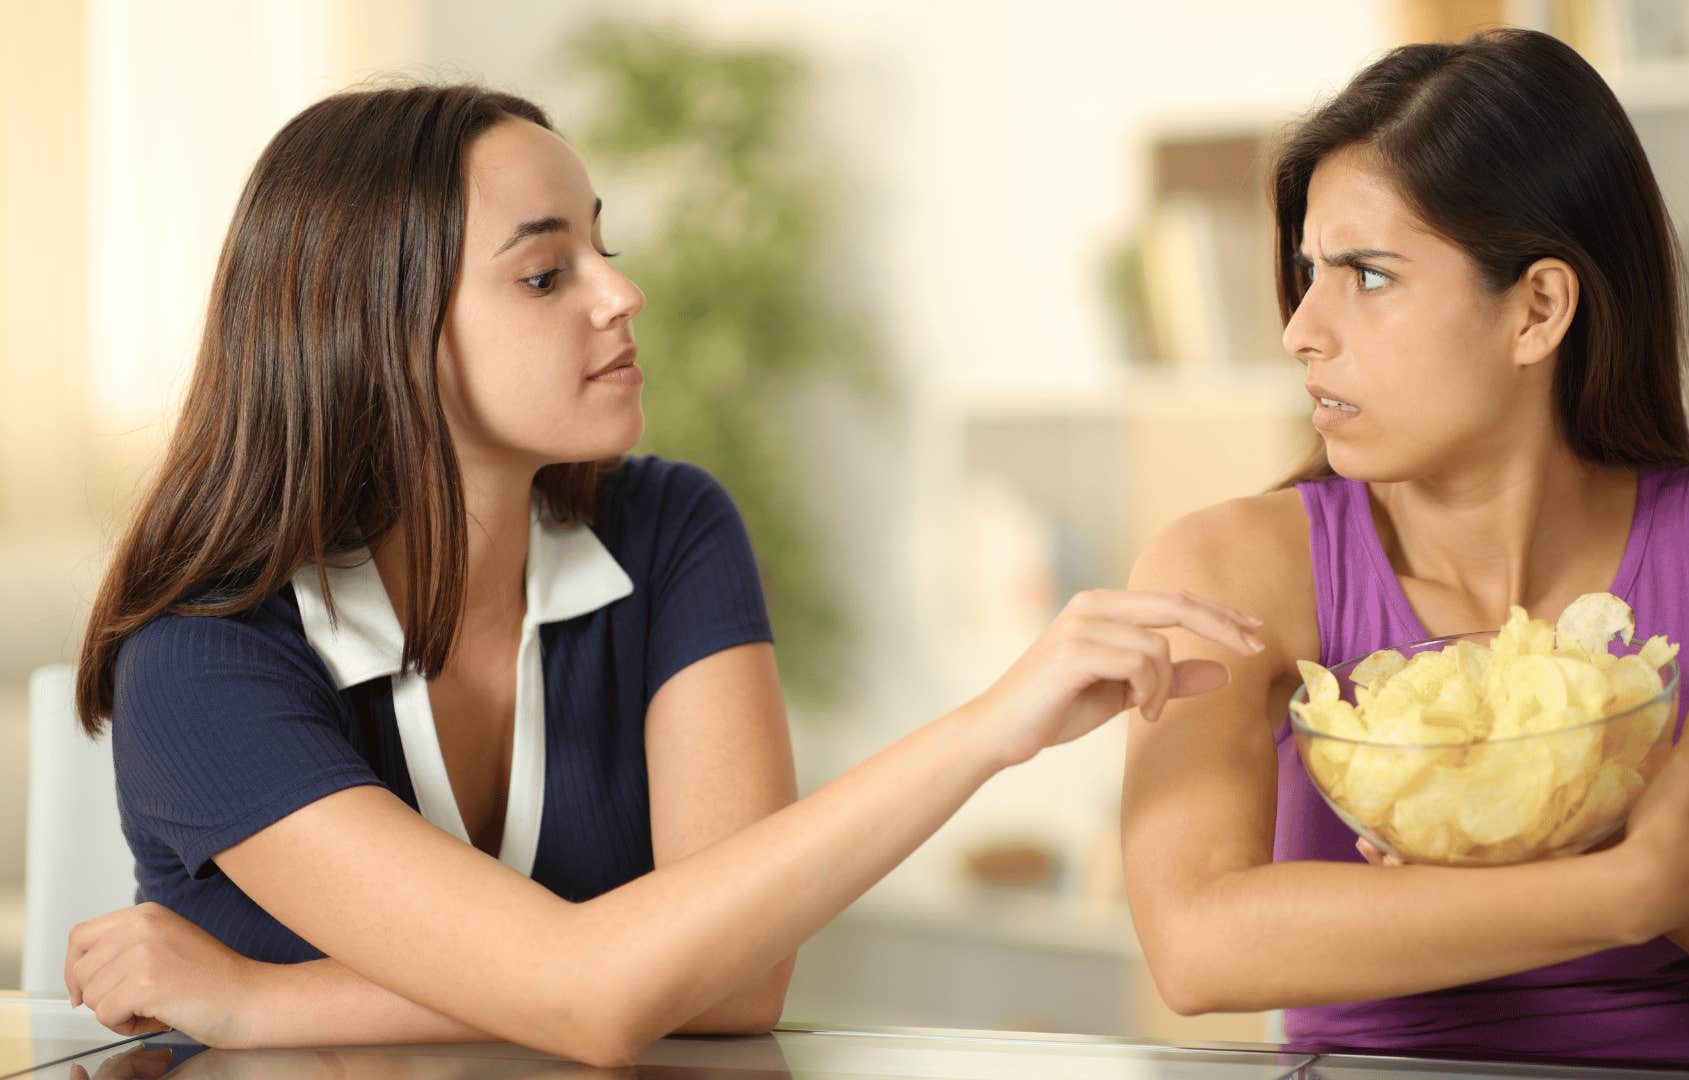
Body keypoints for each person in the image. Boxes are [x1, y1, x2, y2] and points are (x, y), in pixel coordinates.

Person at [61, 83, 1264, 1069]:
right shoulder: (199, 660)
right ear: (371, 336)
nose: (622, 294)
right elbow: (600, 997)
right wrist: (987, 730)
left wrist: (272, 1005)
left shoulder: (670, 528)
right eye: (546, 275)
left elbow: (735, 983)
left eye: (603, 246)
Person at [1120, 28, 1689, 1066]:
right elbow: (1195, 948)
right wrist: (1622, 884)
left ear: (1538, 308)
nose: (1302, 329)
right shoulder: (1230, 569)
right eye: (1307, 269)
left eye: (1366, 275)